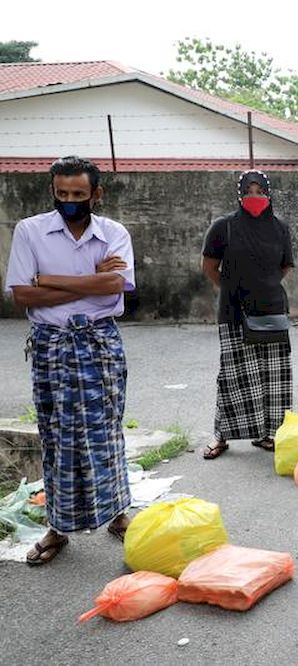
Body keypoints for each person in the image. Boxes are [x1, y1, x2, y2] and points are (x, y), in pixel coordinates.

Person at [4, 156, 135, 565]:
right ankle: (57, 528)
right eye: (62, 194)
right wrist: (89, 284)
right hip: (51, 345)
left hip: (98, 343)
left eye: (79, 194)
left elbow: (115, 286)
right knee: (57, 434)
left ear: (96, 194)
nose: (70, 201)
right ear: (53, 192)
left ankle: (117, 514)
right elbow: (22, 295)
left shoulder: (113, 233)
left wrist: (49, 279)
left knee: (105, 429)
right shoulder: (30, 231)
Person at [201, 170, 295, 459]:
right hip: (234, 312)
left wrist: (263, 285)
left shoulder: (280, 228)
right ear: (240, 194)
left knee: (273, 376)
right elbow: (209, 267)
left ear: (268, 193)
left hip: (272, 309)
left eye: (260, 190)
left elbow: (285, 266)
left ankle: (268, 433)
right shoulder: (223, 227)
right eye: (249, 190)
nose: (255, 196)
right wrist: (232, 289)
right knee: (233, 376)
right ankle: (222, 436)